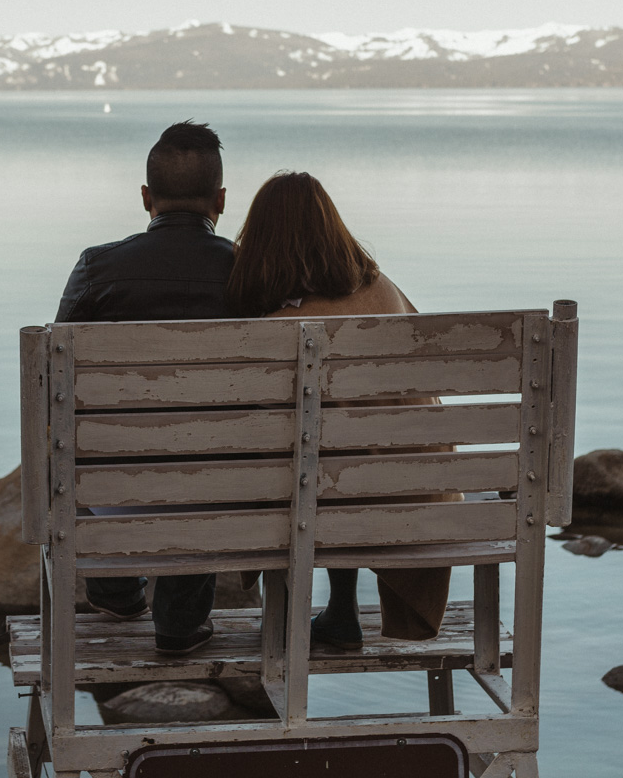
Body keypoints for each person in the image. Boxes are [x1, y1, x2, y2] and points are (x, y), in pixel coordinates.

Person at [226, 171, 453, 649]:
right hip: (418, 495)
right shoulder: (384, 291)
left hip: (328, 499)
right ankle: (340, 608)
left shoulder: (275, 326)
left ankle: (291, 613)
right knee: (336, 450)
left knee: (297, 457)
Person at [54, 120, 232, 655]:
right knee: (208, 453)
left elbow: (54, 382)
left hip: (113, 491)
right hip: (223, 491)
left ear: (145, 197)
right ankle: (179, 623)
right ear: (220, 200)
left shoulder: (96, 267)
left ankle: (116, 589)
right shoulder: (250, 272)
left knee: (79, 433)